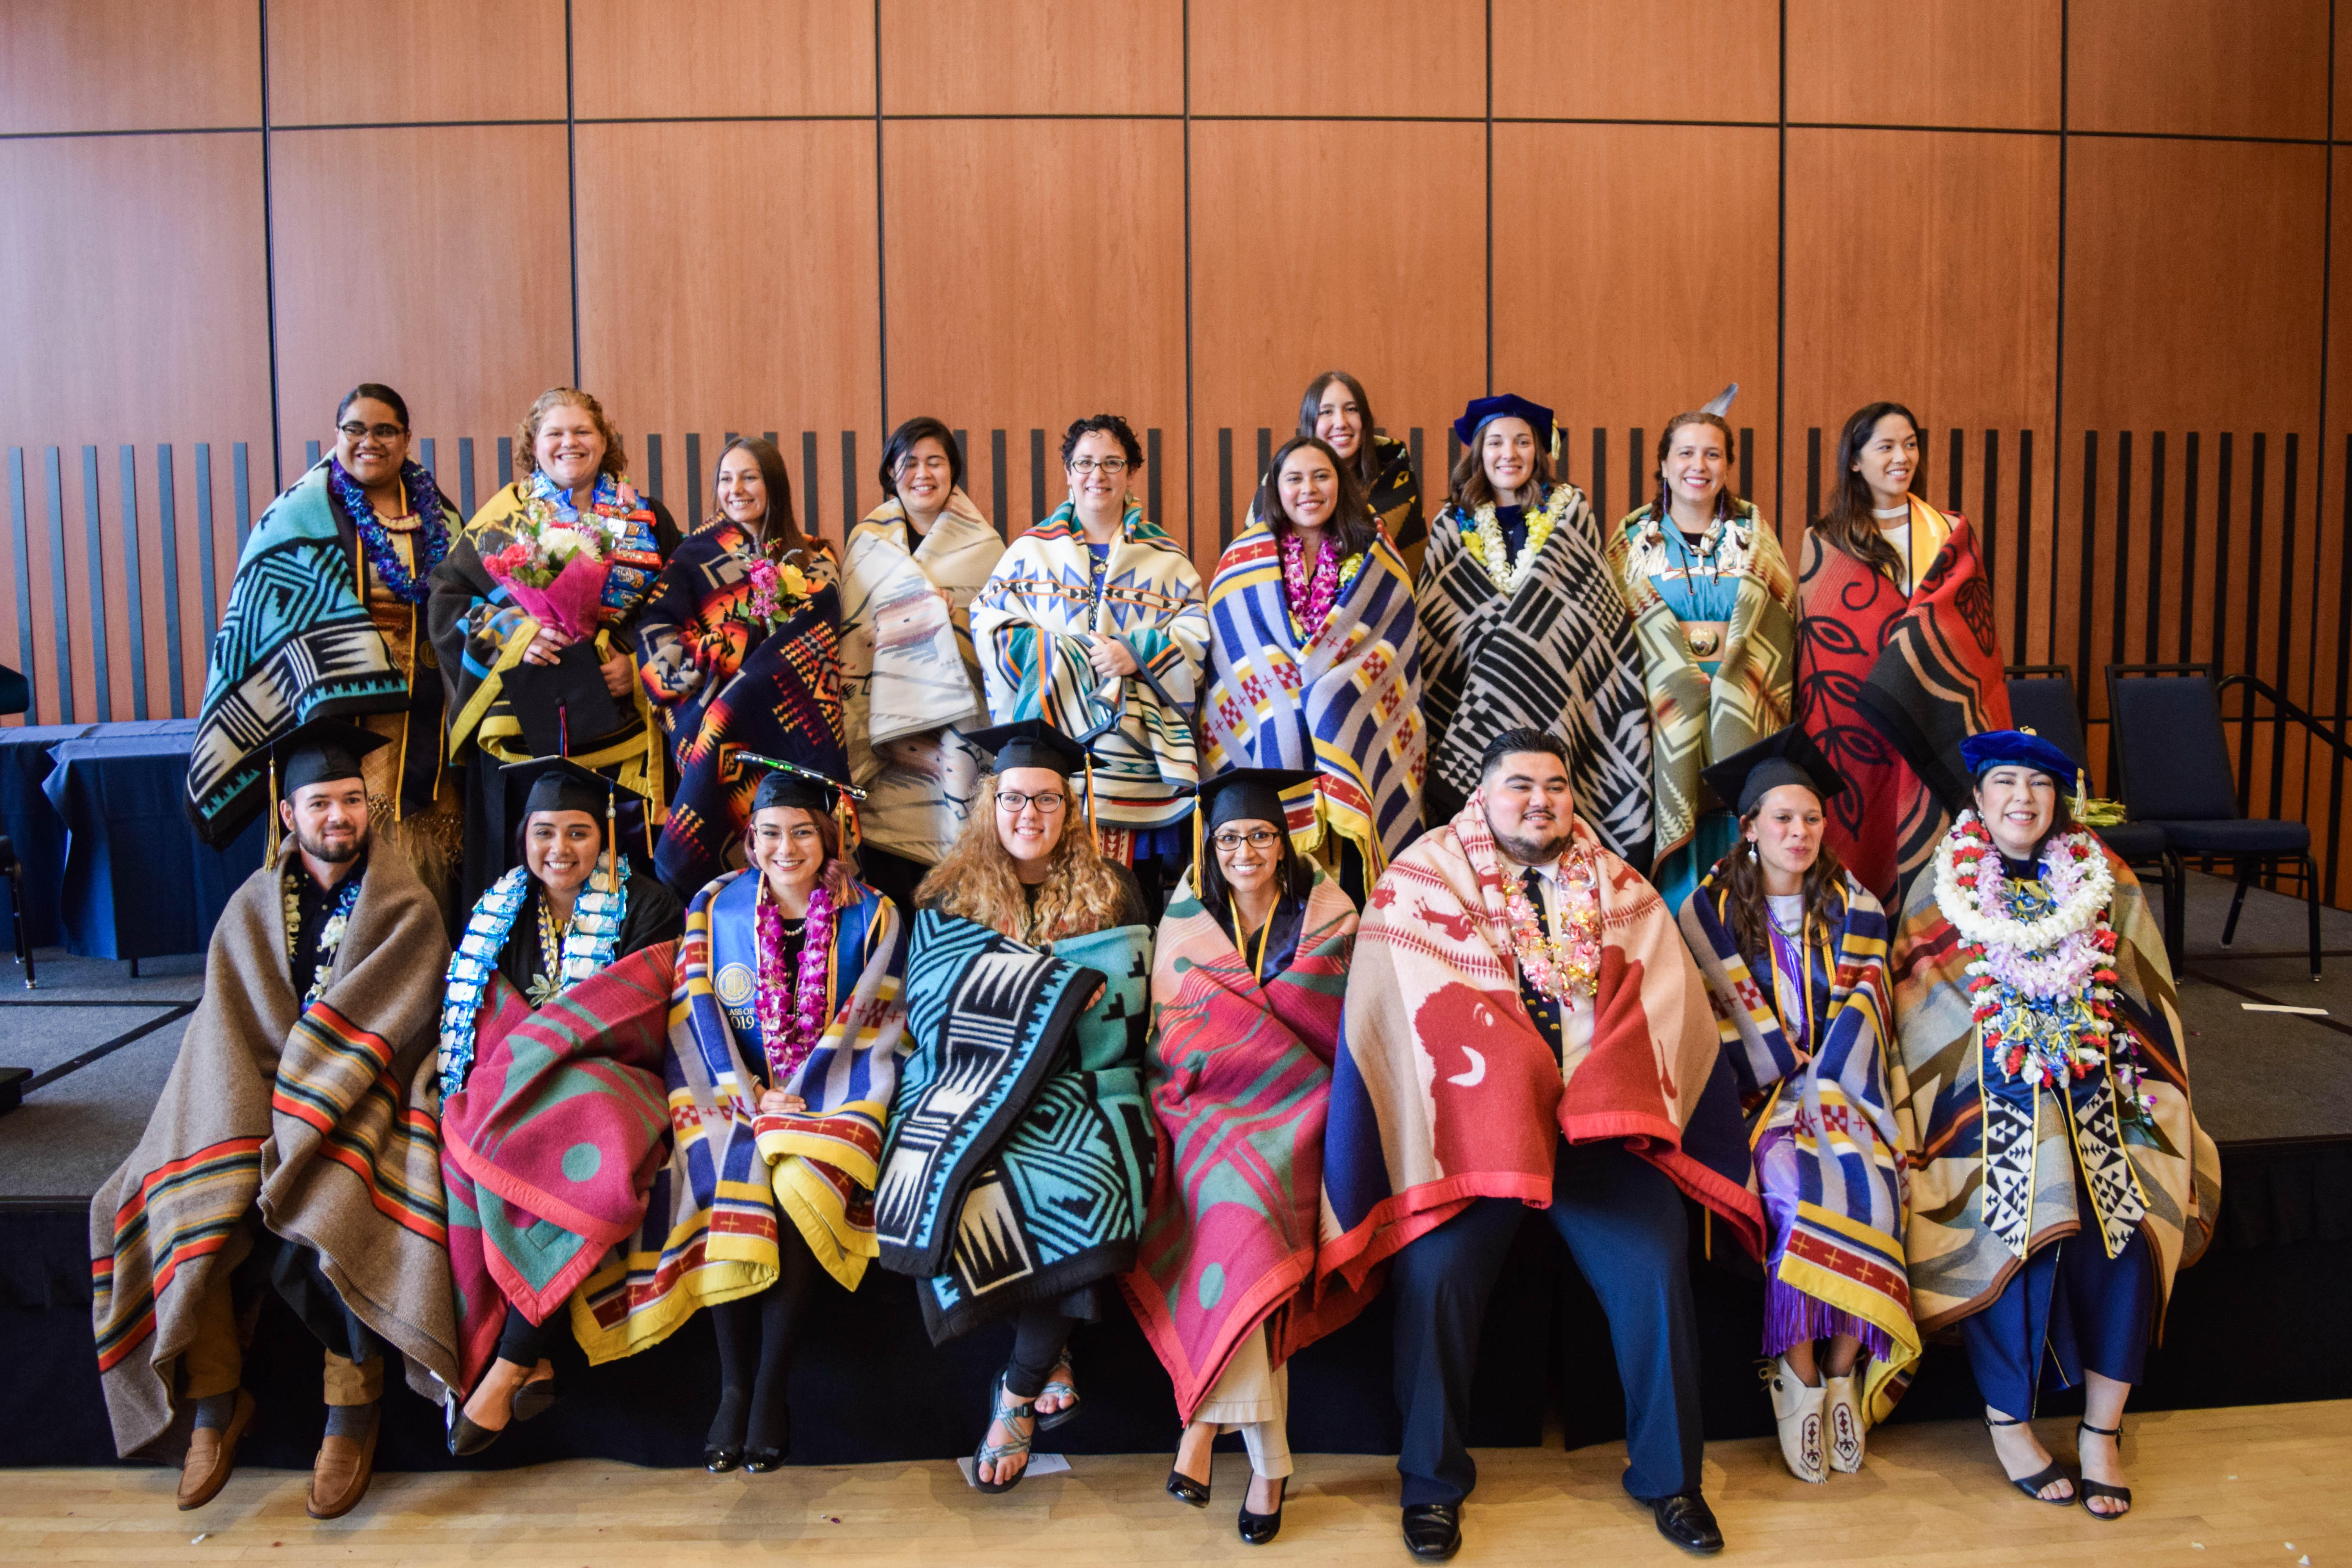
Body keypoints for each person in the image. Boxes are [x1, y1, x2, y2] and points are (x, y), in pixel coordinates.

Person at [1319, 727, 1760, 1560]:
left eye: (1555, 786)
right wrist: (1511, 1069)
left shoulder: (1620, 885)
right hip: (1473, 1139)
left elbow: (1660, 994)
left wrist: (1604, 1088)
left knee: (1657, 1269)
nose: (1540, 800)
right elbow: (1407, 1000)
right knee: (1436, 1274)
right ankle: (1432, 1484)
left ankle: (1673, 1480)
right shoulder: (1422, 876)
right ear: (1482, 796)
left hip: (1596, 1134)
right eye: (1520, 784)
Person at [92, 719, 457, 1520]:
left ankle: (351, 1406)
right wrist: (256, 1111)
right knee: (187, 1193)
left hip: (367, 1099)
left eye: (353, 801)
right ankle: (218, 1402)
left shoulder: (407, 906)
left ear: (372, 807)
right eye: (321, 802)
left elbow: (400, 1024)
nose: (339, 817)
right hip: (251, 1091)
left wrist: (311, 1104)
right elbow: (225, 1026)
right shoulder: (252, 904)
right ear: (288, 814)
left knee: (322, 1199)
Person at [1889, 730, 2220, 1520]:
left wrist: (2121, 1072)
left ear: (2059, 800)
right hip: (1981, 1098)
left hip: (2104, 1091)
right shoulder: (1943, 889)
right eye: (2005, 782)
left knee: (2128, 1228)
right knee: (2019, 1224)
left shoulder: (2106, 880)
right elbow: (1920, 1012)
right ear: (1979, 797)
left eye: (2038, 784)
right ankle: (2009, 1422)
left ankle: (2102, 1427)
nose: (2022, 799)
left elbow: (2148, 996)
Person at [573, 765, 906, 1474]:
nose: (787, 850)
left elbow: (874, 1023)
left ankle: (772, 1388)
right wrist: (751, 1091)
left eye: (803, 834)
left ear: (828, 837)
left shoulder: (873, 913)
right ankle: (734, 1384)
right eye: (771, 835)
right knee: (725, 1172)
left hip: (835, 1093)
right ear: (750, 842)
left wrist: (804, 1096)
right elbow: (695, 1008)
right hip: (728, 1086)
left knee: (794, 1188)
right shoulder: (714, 906)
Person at [871, 719, 1153, 1493]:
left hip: (1082, 1080)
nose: (1031, 813)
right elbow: (930, 1007)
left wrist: (1048, 1016)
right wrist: (1033, 1003)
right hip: (965, 1085)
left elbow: (1127, 1007)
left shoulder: (1113, 890)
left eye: (1049, 800)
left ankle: (1018, 1393)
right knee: (968, 1168)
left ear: (1071, 806)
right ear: (991, 803)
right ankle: (1048, 1354)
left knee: (1090, 1175)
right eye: (1016, 798)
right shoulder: (949, 892)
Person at [1125, 767, 1365, 1545]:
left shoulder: (1331, 916)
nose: (1246, 849)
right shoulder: (1187, 921)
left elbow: (1342, 1028)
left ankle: (1199, 1420)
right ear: (1212, 844)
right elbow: (1174, 1036)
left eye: (1261, 834)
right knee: (1225, 1194)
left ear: (1284, 838)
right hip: (1207, 1104)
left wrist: (1274, 1065)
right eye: (1230, 837)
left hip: (1304, 1103)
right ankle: (1268, 1462)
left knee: (1246, 1201)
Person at [1678, 727, 1917, 1483]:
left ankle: (1846, 1373)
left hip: (1849, 1087)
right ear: (1749, 827)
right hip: (1754, 1096)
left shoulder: (1859, 906)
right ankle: (1799, 1373)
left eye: (1812, 818)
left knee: (1876, 1188)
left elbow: (1867, 1010)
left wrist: (1831, 1074)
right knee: (1793, 1183)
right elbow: (1714, 1016)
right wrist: (1783, 1066)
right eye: (1782, 818)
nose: (1800, 832)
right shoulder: (1705, 910)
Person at [435, 756, 684, 1455]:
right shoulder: (497, 913)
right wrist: (529, 1054)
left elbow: (636, 1011)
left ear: (605, 839)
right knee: (468, 1154)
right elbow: (489, 1018)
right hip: (516, 1082)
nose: (560, 851)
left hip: (616, 1079)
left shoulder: (650, 906)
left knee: (584, 1131)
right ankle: (523, 1358)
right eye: (545, 833)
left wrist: (552, 1046)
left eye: (579, 833)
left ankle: (512, 1358)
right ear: (524, 836)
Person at [187, 384, 467, 919]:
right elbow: (270, 612)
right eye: (355, 429)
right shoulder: (298, 514)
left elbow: (465, 596)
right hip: (345, 710)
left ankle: (423, 961)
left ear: (407, 438)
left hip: (432, 712)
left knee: (432, 844)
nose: (370, 441)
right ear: (336, 435)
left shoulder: (440, 515)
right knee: (351, 830)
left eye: (385, 430)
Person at [429, 387, 681, 905]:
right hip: (526, 727)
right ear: (534, 444)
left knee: (625, 871)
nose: (570, 443)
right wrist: (516, 635)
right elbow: (448, 600)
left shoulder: (647, 517)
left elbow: (678, 609)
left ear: (604, 438)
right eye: (555, 434)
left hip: (626, 728)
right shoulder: (505, 518)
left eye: (583, 431)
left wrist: (640, 668)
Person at [971, 414, 1208, 916]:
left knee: (1132, 906)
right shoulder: (1029, 552)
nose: (1096, 474)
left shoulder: (1168, 561)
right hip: (1049, 768)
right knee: (1046, 904)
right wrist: (1076, 656)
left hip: (1134, 768)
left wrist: (1136, 653)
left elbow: (1195, 640)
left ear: (1131, 473)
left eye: (1111, 463)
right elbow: (989, 627)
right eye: (1084, 462)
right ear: (1067, 471)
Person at [1417, 394, 1650, 864]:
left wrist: (1523, 646)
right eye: (1497, 442)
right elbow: (1439, 622)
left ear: (1541, 451)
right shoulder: (1450, 523)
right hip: (1470, 696)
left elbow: (1589, 614)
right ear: (1479, 452)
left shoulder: (1571, 513)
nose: (1510, 453)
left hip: (1558, 696)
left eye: (1524, 442)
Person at [1793, 402, 2009, 907]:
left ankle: (1934, 956)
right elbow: (1820, 651)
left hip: (1936, 715)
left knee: (1930, 837)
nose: (1902, 457)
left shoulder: (1952, 532)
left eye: (1910, 444)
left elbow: (1973, 639)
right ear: (1855, 460)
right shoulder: (1824, 541)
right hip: (1853, 726)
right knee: (1861, 828)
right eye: (1886, 446)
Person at [1203, 434, 1424, 905]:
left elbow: (1390, 640)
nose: (1309, 489)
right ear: (1276, 490)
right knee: (1280, 717)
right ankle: (1273, 893)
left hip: (1349, 698)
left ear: (1341, 484)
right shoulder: (1243, 556)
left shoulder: (1373, 549)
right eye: (1295, 478)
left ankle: (1354, 908)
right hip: (1273, 697)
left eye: (1322, 476)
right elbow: (1236, 646)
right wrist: (1292, 683)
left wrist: (1324, 682)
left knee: (1332, 707)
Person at [1605, 412, 1798, 915]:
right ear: (1664, 466)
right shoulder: (1631, 542)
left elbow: (1780, 616)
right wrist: (1683, 679)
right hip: (1663, 711)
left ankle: (1742, 933)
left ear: (1727, 467)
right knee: (1675, 829)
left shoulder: (1752, 535)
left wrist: (1731, 675)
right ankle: (1677, 935)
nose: (1699, 465)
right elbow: (1611, 631)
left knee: (1735, 826)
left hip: (1741, 701)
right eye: (1686, 453)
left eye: (1713, 454)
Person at [634, 437, 846, 893]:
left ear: (774, 485)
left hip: (794, 730)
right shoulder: (691, 558)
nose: (737, 489)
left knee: (798, 850)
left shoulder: (815, 557)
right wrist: (725, 646)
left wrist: (749, 676)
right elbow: (655, 634)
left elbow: (819, 641)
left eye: (750, 477)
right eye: (726, 479)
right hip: (717, 726)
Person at [840, 417, 1007, 912]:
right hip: (885, 753)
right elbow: (852, 635)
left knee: (952, 887)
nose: (922, 473)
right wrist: (907, 621)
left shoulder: (986, 546)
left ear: (953, 471)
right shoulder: (866, 542)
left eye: (935, 461)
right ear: (891, 471)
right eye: (909, 462)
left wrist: (946, 620)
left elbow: (999, 643)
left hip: (955, 737)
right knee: (888, 894)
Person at [1285, 371, 1428, 576]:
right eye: (1326, 412)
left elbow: (1411, 570)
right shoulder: (1283, 482)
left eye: (1351, 409)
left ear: (1365, 421)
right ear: (1310, 423)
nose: (1341, 422)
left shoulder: (1396, 479)